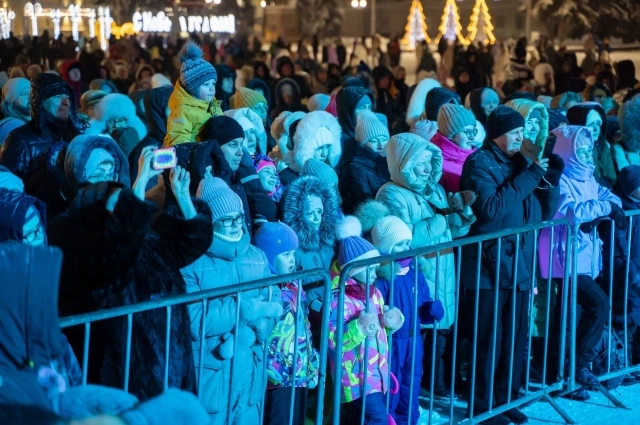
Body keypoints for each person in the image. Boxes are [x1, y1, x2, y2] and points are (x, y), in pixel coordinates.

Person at [49, 144, 212, 402]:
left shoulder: (136, 226)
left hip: (174, 362)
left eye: (111, 168)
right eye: (97, 171)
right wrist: (138, 188)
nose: (107, 176)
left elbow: (186, 247)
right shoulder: (75, 227)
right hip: (130, 371)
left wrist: (182, 196)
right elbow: (114, 257)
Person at [460, 105, 562, 424]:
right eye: (514, 133)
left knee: (514, 338)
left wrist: (550, 181)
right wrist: (531, 175)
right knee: (489, 339)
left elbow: (540, 215)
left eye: (522, 132)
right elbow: (491, 209)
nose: (520, 138)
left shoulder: (521, 162)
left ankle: (506, 399)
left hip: (519, 264)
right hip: (488, 267)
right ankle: (482, 405)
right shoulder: (479, 162)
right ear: (497, 134)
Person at [376, 132, 474, 398]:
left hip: (444, 266)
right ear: (403, 164)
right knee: (423, 330)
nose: (428, 168)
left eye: (430, 162)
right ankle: (427, 384)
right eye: (420, 163)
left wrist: (461, 214)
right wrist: (441, 220)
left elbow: (452, 231)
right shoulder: (391, 193)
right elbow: (405, 236)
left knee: (442, 327)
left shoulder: (436, 190)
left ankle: (439, 379)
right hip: (418, 271)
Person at [181, 177, 283, 423]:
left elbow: (274, 298)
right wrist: (246, 309)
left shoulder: (256, 256)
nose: (236, 225)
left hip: (249, 377)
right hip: (211, 374)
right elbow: (194, 319)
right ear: (210, 222)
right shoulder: (191, 262)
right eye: (227, 220)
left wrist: (263, 325)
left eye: (238, 217)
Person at [538, 125, 619, 396]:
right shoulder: (560, 179)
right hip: (565, 259)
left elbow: (609, 196)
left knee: (574, 317)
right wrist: (606, 208)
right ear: (567, 153)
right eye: (580, 151)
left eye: (588, 150)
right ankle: (577, 368)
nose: (586, 156)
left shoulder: (588, 178)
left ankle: (567, 375)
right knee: (597, 305)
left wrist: (607, 206)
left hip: (582, 257)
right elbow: (571, 212)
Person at [361, 207, 445, 425]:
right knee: (390, 387)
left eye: (407, 243)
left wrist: (431, 310)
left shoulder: (415, 274)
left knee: (411, 386)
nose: (406, 249)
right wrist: (385, 316)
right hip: (390, 343)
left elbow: (423, 304)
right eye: (399, 245)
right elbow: (375, 308)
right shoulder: (382, 278)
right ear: (386, 248)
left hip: (414, 341)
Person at [328, 215, 404, 424]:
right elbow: (333, 340)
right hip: (356, 379)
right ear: (353, 271)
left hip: (377, 373)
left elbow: (377, 331)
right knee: (377, 419)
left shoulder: (375, 294)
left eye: (375, 267)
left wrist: (388, 322)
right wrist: (359, 328)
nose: (374, 273)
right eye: (368, 268)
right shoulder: (339, 299)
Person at [252, 222, 320, 425]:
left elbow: (304, 326)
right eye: (286, 254)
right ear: (269, 256)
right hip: (275, 377)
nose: (292, 260)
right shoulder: (262, 289)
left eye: (293, 253)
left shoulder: (295, 284)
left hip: (298, 372)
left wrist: (311, 363)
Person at [0, 73, 87, 183]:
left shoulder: (76, 133)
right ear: (40, 99)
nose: (66, 102)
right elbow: (9, 186)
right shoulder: (19, 138)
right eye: (57, 96)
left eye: (68, 97)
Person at [599, 165, 640, 381]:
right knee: (625, 321)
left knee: (636, 320)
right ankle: (623, 367)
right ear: (632, 188)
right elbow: (618, 248)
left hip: (634, 272)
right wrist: (632, 275)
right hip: (624, 276)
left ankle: (634, 364)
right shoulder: (620, 210)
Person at [163, 42, 222, 147]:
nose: (212, 88)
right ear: (193, 88)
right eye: (206, 84)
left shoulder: (212, 105)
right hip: (193, 154)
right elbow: (179, 143)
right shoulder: (182, 111)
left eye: (213, 83)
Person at [339, 110, 390, 215]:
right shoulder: (355, 169)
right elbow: (361, 208)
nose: (381, 145)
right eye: (374, 140)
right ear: (362, 143)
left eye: (384, 139)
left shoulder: (389, 161)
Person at [278, 110, 341, 187]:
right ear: (303, 149)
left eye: (328, 147)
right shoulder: (287, 179)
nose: (324, 154)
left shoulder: (329, 173)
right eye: (319, 148)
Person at [128, 86, 173, 188]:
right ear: (159, 111)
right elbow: (146, 191)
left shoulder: (183, 139)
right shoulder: (151, 150)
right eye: (172, 107)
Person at [431, 103, 480, 194]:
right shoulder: (438, 165)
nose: (472, 137)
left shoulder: (477, 154)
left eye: (473, 131)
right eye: (467, 132)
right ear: (450, 135)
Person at [566, 102, 616, 188]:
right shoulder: (578, 153)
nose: (596, 129)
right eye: (591, 124)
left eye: (598, 124)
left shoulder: (604, 146)